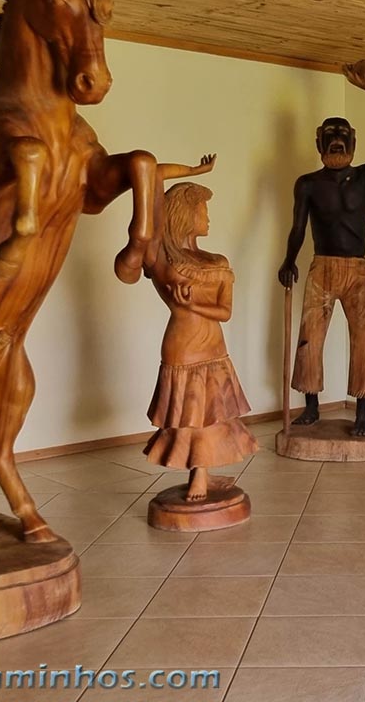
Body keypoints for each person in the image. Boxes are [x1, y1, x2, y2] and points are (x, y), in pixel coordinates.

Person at [278, 85, 365, 436]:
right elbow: (298, 227)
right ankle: (311, 406)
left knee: (364, 337)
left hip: (357, 269)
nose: (337, 140)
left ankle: (362, 412)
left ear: (353, 141)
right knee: (310, 336)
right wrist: (288, 260)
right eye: (330, 135)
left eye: (343, 135)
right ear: (319, 141)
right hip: (322, 267)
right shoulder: (308, 184)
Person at [144, 182, 258, 500]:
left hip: (214, 348)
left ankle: (204, 472)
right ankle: (199, 474)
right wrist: (175, 175)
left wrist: (189, 304)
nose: (208, 216)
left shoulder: (217, 261)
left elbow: (224, 311)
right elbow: (143, 225)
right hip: (183, 346)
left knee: (214, 414)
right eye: (202, 210)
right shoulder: (162, 259)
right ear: (184, 215)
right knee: (190, 417)